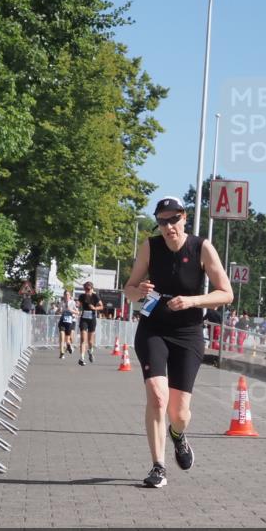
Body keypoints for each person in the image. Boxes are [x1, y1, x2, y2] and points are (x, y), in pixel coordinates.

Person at [123, 197, 233, 488]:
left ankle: (178, 434)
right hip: (153, 328)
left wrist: (193, 301)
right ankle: (158, 466)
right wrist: (140, 291)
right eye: (162, 221)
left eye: (174, 219)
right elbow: (129, 290)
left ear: (185, 218)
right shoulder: (150, 246)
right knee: (158, 397)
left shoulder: (201, 247)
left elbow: (226, 294)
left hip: (188, 332)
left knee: (179, 412)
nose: (168, 226)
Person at [75, 281, 103, 366]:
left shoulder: (95, 296)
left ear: (92, 288)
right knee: (83, 339)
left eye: (88, 289)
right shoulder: (82, 296)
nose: (86, 290)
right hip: (84, 318)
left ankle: (90, 352)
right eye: (85, 289)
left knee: (90, 341)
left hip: (92, 319)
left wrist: (95, 308)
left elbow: (101, 306)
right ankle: (81, 358)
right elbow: (78, 304)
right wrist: (77, 304)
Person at [57, 291, 78, 359]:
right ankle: (61, 352)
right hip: (62, 321)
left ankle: (69, 345)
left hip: (69, 321)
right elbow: (57, 311)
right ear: (63, 295)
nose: (66, 296)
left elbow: (77, 312)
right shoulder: (61, 302)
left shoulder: (73, 302)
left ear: (70, 295)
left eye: (68, 294)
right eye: (65, 294)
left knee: (68, 339)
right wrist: (59, 311)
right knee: (62, 336)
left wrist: (70, 310)